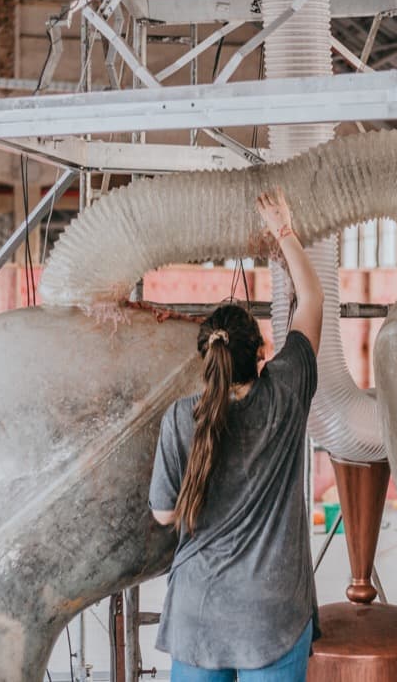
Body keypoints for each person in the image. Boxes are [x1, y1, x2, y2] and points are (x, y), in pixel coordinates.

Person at [149, 188, 325, 682]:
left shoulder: (182, 418)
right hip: (269, 618)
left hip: (197, 615)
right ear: (263, 354)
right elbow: (312, 298)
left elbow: (164, 513)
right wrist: (284, 230)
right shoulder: (287, 391)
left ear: (206, 360)